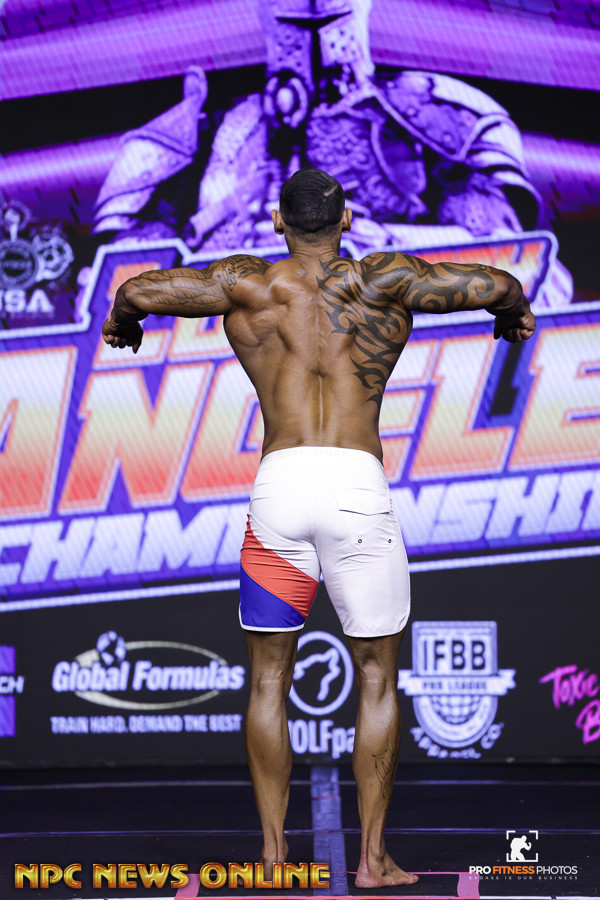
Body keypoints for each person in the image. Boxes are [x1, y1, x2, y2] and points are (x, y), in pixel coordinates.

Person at [102, 167, 536, 888]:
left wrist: (124, 320)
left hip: (280, 489)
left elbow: (139, 291)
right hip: (356, 489)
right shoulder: (384, 280)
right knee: (376, 678)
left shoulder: (247, 283)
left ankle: (274, 860)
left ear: (278, 220)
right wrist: (512, 314)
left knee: (269, 678)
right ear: (348, 218)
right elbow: (498, 284)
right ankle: (372, 861)